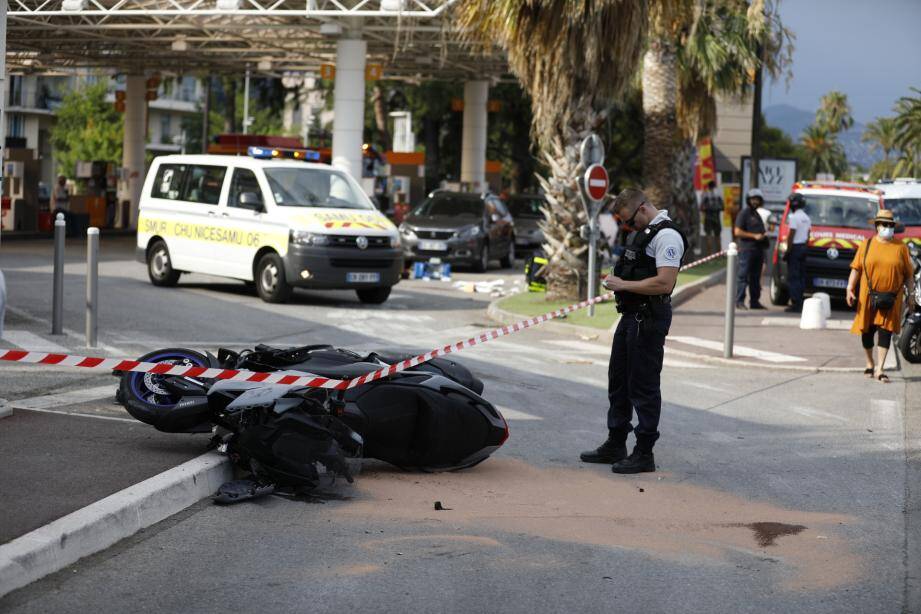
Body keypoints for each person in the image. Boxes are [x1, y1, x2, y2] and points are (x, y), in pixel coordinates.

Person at [580, 188, 687, 474]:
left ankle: (644, 452)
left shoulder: (667, 236)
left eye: (629, 219)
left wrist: (623, 285)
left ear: (642, 208)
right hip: (630, 316)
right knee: (619, 382)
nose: (628, 225)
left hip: (649, 318)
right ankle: (616, 443)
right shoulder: (644, 234)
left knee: (643, 386)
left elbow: (665, 283)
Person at [846, 209, 915, 383]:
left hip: (892, 297)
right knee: (867, 332)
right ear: (877, 226)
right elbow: (856, 268)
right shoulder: (866, 245)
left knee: (886, 332)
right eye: (884, 224)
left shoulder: (901, 247)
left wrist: (911, 295)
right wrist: (849, 288)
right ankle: (870, 363)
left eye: (890, 225)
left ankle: (880, 368)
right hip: (867, 296)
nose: (887, 227)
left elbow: (908, 275)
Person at [734, 188, 769, 309]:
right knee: (743, 276)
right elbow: (737, 231)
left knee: (755, 277)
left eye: (757, 199)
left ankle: (755, 302)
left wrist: (764, 236)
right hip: (746, 250)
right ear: (748, 200)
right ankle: (739, 301)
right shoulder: (744, 213)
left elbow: (761, 231)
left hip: (758, 251)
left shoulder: (757, 214)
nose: (755, 202)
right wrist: (754, 236)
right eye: (753, 199)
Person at [782, 193, 811, 312]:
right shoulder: (806, 217)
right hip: (803, 247)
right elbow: (808, 235)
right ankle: (799, 300)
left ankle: (795, 303)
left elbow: (791, 235)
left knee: (793, 276)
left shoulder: (793, 217)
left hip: (795, 248)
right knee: (801, 276)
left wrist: (787, 251)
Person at [700, 180, 724, 256]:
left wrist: (706, 209)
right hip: (716, 216)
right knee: (718, 236)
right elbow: (723, 207)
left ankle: (709, 255)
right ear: (714, 186)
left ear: (708, 186)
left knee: (709, 236)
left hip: (708, 216)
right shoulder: (719, 194)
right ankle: (719, 254)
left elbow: (701, 207)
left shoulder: (705, 194)